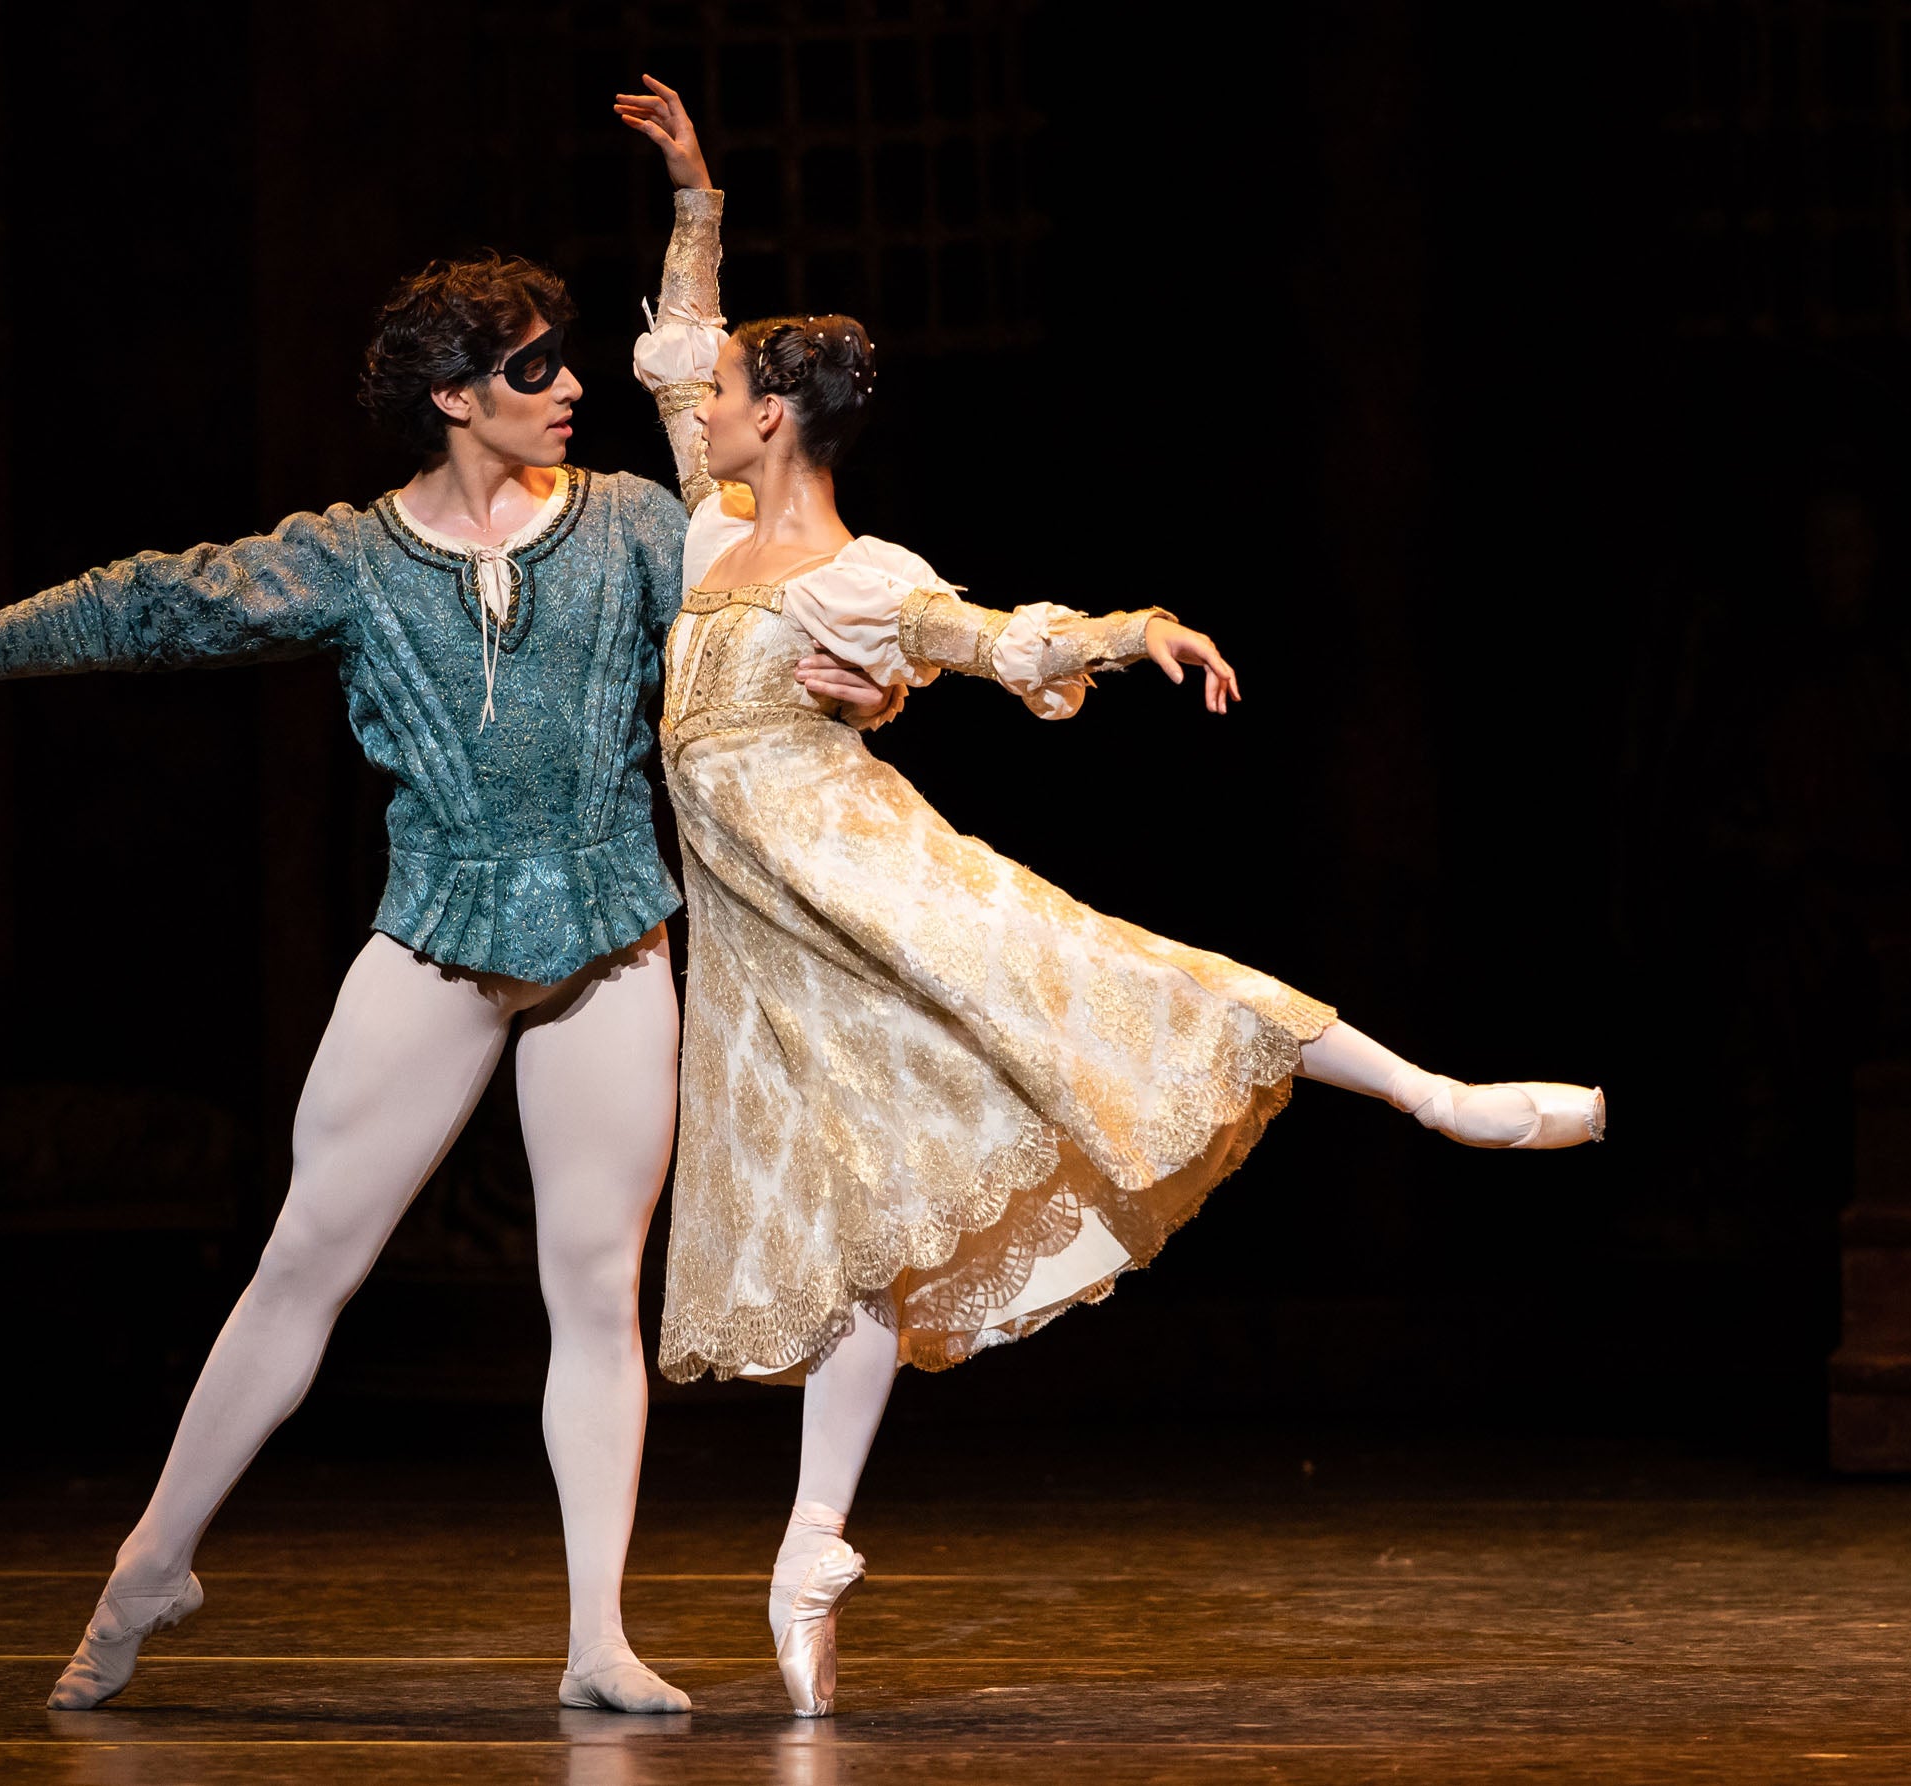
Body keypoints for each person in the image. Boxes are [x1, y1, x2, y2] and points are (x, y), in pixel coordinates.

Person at [0, 191, 885, 1713]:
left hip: (614, 936)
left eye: (565, 363)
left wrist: (863, 686)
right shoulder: (354, 559)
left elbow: (783, 603)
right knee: (302, 1265)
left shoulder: (628, 523)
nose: (570, 387)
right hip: (434, 939)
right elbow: (139, 605)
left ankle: (596, 1634)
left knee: (594, 1285)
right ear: (452, 396)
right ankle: (151, 1560)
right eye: (538, 367)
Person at [616, 79, 1605, 1719]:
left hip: (879, 883)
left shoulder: (862, 576)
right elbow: (691, 331)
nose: (703, 402)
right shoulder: (716, 522)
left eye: (725, 394)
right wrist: (700, 198)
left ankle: (1439, 1096)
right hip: (785, 951)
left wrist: (1133, 626)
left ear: (776, 418)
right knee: (868, 1231)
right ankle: (809, 1555)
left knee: (1128, 985)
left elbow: (998, 641)